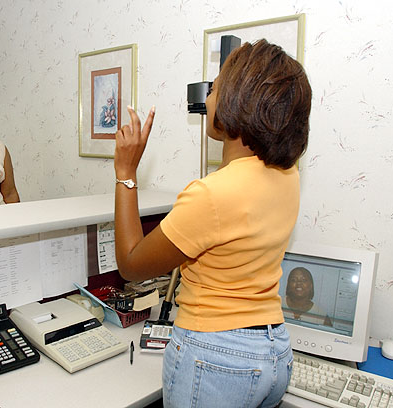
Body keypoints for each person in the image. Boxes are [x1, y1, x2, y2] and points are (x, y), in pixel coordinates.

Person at [114, 39, 311, 408]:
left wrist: (126, 172)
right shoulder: (288, 175)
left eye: (216, 85)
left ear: (238, 102)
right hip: (274, 349)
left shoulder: (211, 195)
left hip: (216, 356)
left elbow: (129, 263)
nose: (208, 94)